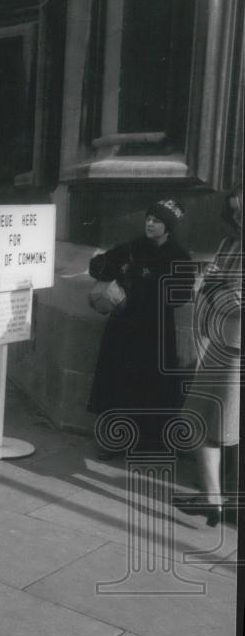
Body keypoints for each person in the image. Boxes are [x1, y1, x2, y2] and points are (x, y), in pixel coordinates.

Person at [88, 199, 192, 458]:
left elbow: (179, 296)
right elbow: (99, 266)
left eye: (156, 220)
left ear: (168, 227)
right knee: (116, 383)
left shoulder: (179, 256)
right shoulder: (133, 247)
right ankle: (113, 441)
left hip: (155, 332)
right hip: (123, 328)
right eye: (148, 218)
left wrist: (145, 282)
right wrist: (112, 267)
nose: (149, 223)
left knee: (150, 386)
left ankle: (149, 443)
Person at [179, 188, 242, 526]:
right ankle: (213, 498)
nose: (237, 216)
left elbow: (235, 302)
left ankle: (216, 499)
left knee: (216, 422)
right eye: (233, 210)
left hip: (235, 349)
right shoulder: (229, 243)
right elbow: (209, 281)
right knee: (200, 419)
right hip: (220, 345)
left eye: (241, 209)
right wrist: (211, 282)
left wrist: (212, 285)